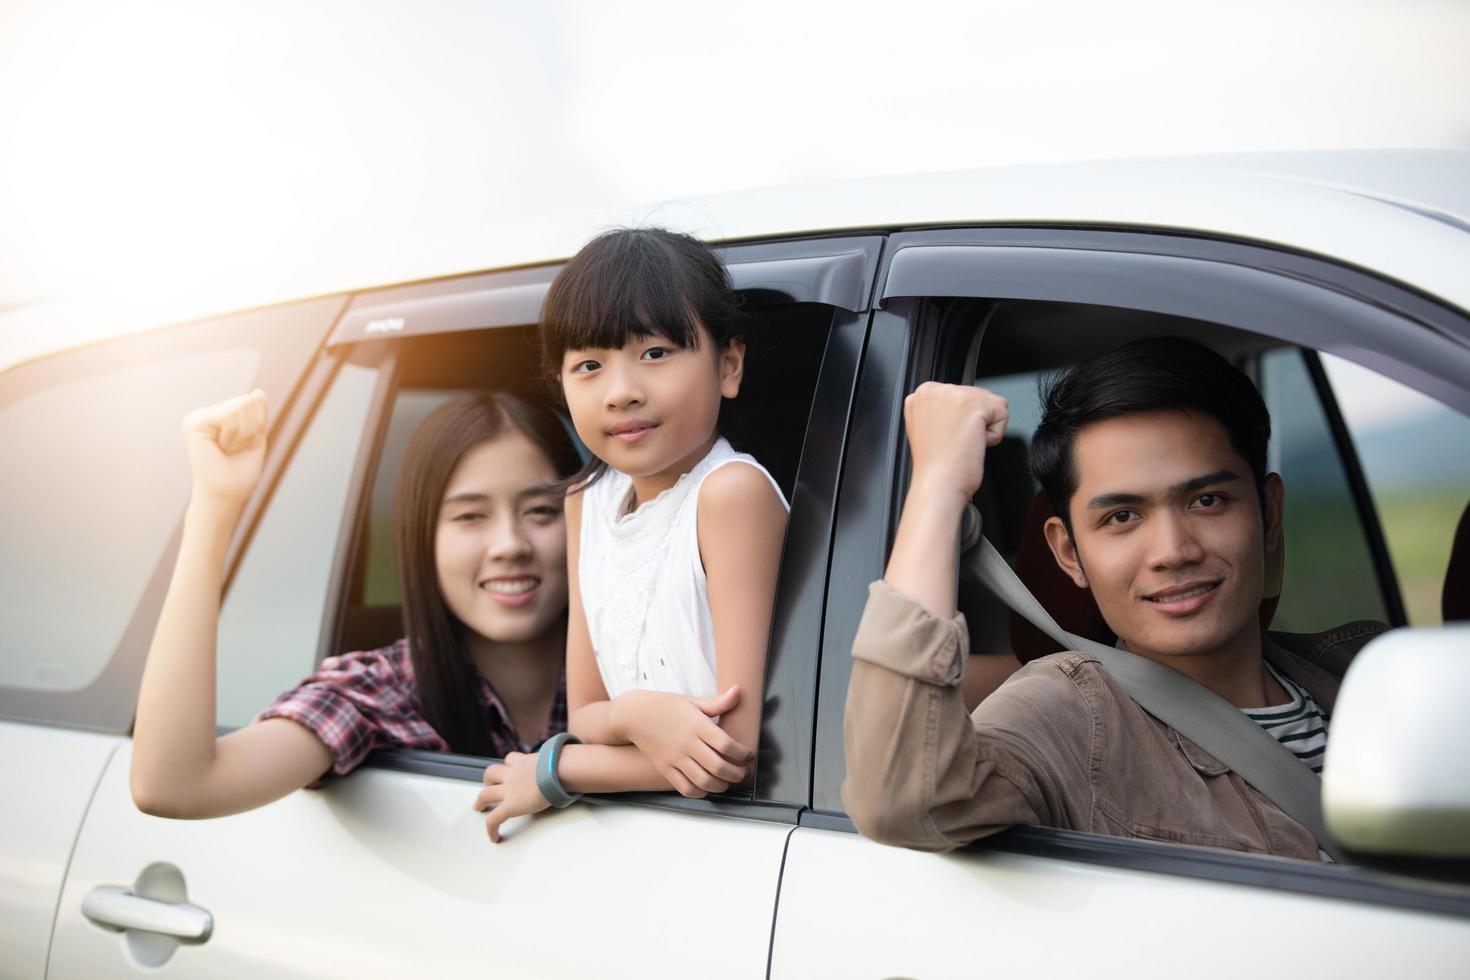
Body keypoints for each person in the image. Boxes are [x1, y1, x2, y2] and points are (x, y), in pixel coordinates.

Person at [842, 337, 1386, 860]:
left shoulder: (1371, 669)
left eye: (1207, 499)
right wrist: (938, 484)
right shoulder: (1069, 712)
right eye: (1122, 517)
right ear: (1069, 554)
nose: (1173, 551)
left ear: (1268, 513)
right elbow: (903, 801)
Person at [474, 228, 790, 841]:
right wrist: (638, 714)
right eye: (590, 365)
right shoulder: (585, 503)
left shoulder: (728, 496)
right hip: (636, 839)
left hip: (729, 840)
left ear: (728, 366)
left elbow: (729, 753)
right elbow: (588, 711)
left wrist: (553, 768)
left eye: (655, 353)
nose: (621, 392)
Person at [131, 390, 580, 818]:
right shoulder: (384, 692)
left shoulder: (635, 666)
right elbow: (175, 786)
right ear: (421, 539)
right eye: (469, 516)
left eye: (540, 510)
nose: (509, 545)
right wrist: (215, 502)